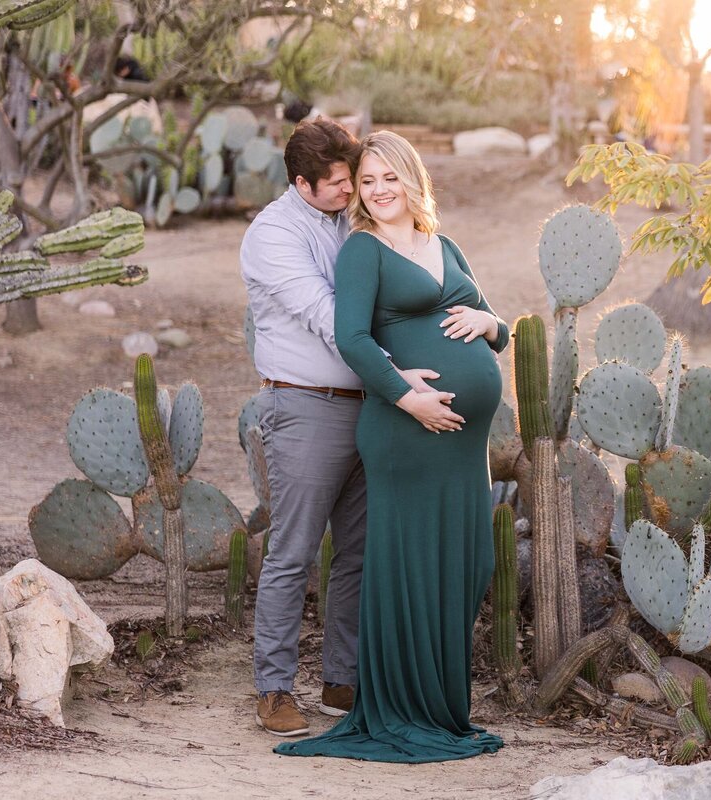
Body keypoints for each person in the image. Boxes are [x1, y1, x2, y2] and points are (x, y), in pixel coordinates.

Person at [275, 130, 507, 763]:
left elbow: (497, 324)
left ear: (412, 180)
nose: (377, 191)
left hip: (462, 448)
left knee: (465, 565)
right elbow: (350, 338)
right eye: (367, 181)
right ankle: (404, 706)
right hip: (405, 432)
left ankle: (442, 706)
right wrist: (410, 400)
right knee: (410, 565)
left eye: (388, 179)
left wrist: (491, 324)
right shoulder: (363, 251)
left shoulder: (446, 245)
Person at [240, 118, 445, 737]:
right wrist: (397, 373)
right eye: (337, 184)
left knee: (356, 551)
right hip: (307, 407)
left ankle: (342, 677)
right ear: (302, 184)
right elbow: (330, 316)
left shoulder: (349, 221)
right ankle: (274, 689)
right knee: (293, 552)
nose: (350, 189)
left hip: (370, 405)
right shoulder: (273, 235)